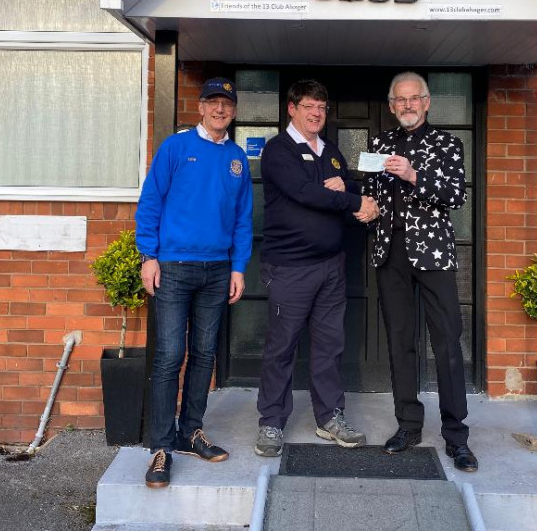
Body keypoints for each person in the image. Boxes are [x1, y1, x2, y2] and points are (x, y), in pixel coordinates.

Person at [135, 77, 253, 489]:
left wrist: (238, 267)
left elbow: (242, 219)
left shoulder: (237, 158)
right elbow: (150, 201)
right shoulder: (176, 147)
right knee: (170, 355)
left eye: (227, 104)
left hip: (217, 269)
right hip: (174, 267)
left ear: (234, 111)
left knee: (205, 354)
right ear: (201, 107)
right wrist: (148, 256)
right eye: (213, 102)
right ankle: (161, 447)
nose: (220, 109)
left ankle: (191, 432)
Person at [254, 79, 378, 458]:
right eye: (308, 106)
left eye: (321, 108)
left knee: (329, 345)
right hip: (290, 268)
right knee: (282, 347)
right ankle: (271, 422)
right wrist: (353, 200)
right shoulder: (278, 150)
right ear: (292, 109)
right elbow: (306, 193)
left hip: (330, 267)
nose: (316, 114)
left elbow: (336, 185)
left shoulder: (331, 151)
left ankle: (330, 417)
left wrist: (347, 188)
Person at [363, 71, 478, 472]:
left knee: (447, 341)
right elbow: (374, 192)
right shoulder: (379, 142)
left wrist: (413, 174)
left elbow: (455, 195)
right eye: (400, 100)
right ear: (392, 106)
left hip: (432, 254)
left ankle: (456, 436)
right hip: (389, 252)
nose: (407, 105)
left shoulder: (447, 143)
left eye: (414, 99)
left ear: (426, 103)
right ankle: (408, 425)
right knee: (400, 341)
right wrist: (363, 204)